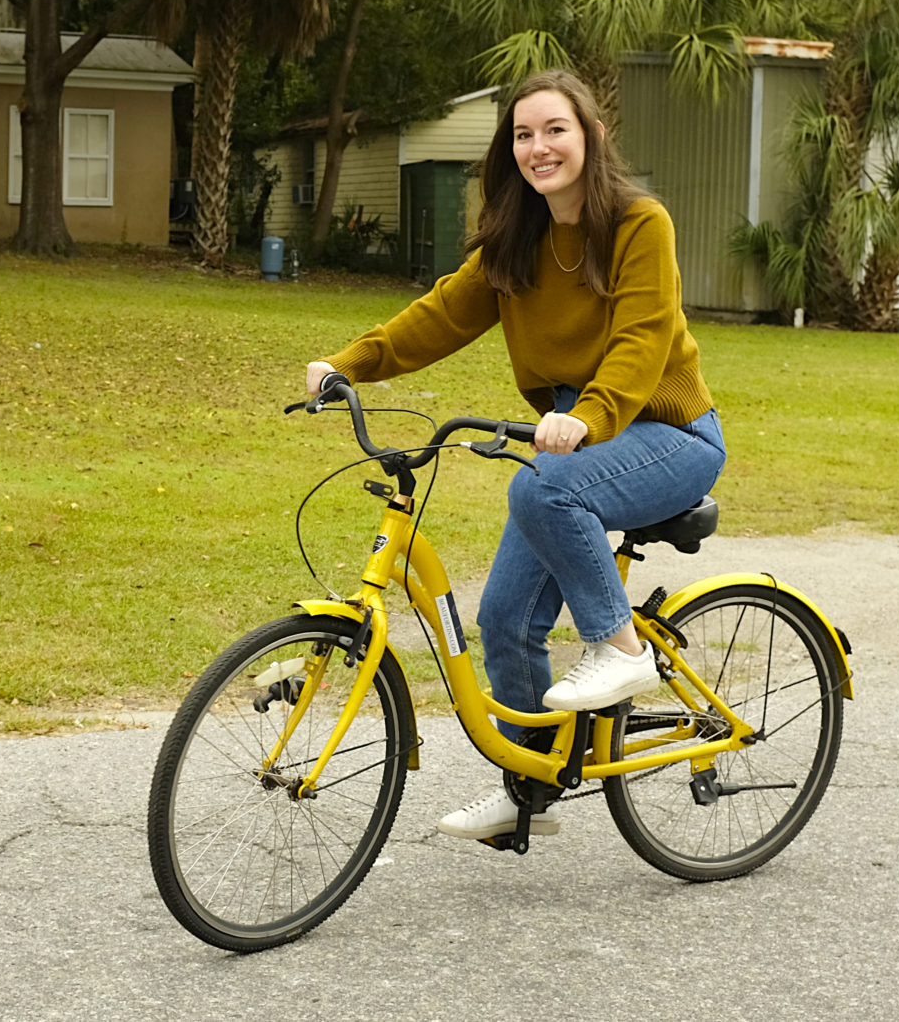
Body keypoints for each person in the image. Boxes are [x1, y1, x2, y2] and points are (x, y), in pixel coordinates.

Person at [304, 69, 725, 841]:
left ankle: (621, 649)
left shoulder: (640, 223)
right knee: (501, 618)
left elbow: (642, 342)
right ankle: (532, 784)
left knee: (544, 489)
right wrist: (347, 365)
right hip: (580, 432)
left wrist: (587, 416)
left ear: (590, 136)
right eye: (523, 135)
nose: (539, 147)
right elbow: (438, 315)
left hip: (670, 431)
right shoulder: (515, 241)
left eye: (554, 129)